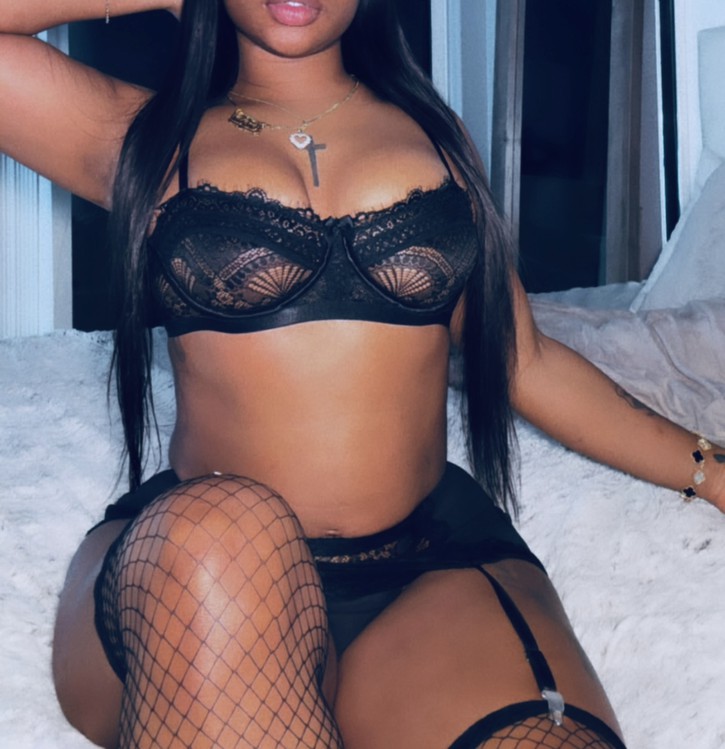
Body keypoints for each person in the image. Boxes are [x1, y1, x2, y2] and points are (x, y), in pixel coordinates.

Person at [1, 2, 723, 747]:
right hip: (207, 572)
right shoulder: (143, 138)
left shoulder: (437, 139)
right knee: (223, 530)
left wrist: (710, 470)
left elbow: (523, 360)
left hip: (424, 568)